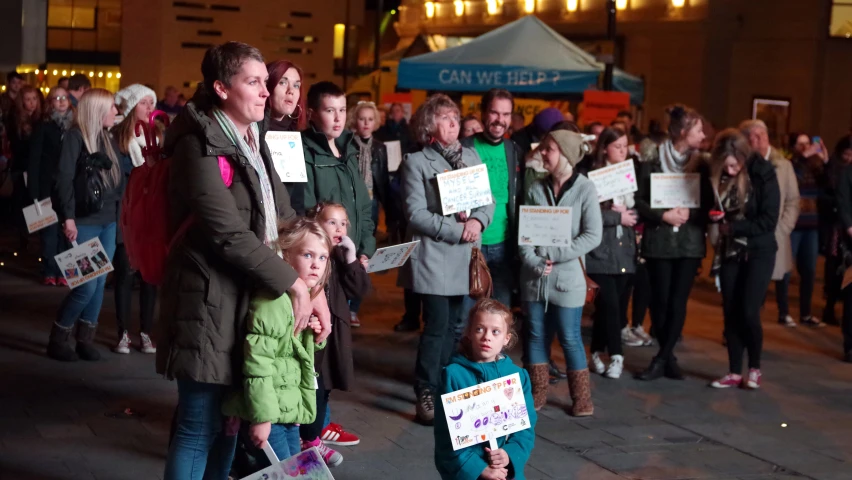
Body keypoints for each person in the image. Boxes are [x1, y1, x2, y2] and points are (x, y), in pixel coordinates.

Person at [156, 42, 331, 480]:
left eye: (263, 82)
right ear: (220, 88)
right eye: (253, 82)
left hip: (246, 298)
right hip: (207, 300)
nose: (266, 92)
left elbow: (286, 217)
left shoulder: (251, 136)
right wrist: (294, 284)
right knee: (199, 427)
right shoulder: (197, 140)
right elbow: (225, 232)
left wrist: (316, 287)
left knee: (231, 425)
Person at [399, 93, 495, 425]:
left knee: (457, 327)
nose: (453, 123)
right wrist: (457, 230)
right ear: (430, 125)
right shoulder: (416, 162)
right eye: (444, 118)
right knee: (437, 326)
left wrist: (478, 221)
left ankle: (447, 386)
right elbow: (414, 213)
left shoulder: (470, 157)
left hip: (465, 257)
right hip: (434, 256)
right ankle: (426, 389)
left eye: (455, 117)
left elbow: (488, 202)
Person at [222, 218, 330, 466]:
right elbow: (257, 362)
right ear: (286, 257)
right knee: (283, 471)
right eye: (307, 255)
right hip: (269, 414)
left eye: (322, 257)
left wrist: (313, 338)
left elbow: (292, 354)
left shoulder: (300, 301)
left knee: (292, 469)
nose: (316, 264)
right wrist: (262, 419)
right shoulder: (273, 302)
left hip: (286, 410)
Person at [521, 130, 601, 414]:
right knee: (535, 335)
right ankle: (537, 394)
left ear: (565, 155)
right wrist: (533, 261)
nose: (542, 153)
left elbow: (592, 235)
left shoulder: (585, 189)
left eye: (549, 149)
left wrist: (553, 254)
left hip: (568, 280)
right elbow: (525, 235)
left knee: (569, 336)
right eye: (543, 148)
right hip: (535, 279)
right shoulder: (535, 188)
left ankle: (581, 398)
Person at [635, 105, 712, 381]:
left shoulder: (702, 164)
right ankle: (667, 357)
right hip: (659, 240)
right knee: (660, 301)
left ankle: (662, 358)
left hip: (689, 243)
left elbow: (710, 205)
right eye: (698, 130)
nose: (703, 135)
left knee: (679, 301)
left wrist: (693, 213)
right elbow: (639, 199)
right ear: (682, 132)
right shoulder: (651, 157)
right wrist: (662, 214)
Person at [50, 89, 125, 363]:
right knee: (86, 286)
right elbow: (63, 179)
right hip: (83, 222)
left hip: (107, 221)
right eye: (112, 108)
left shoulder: (108, 137)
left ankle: (84, 339)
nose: (116, 112)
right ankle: (59, 337)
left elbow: (118, 182)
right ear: (97, 111)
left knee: (99, 280)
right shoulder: (74, 136)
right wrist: (68, 217)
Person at [434, 299, 537, 480]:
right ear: (469, 333)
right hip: (469, 472)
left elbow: (525, 427)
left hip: (505, 471)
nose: (487, 337)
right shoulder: (453, 376)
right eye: (480, 329)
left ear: (507, 338)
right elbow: (447, 436)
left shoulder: (517, 377)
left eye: (495, 331)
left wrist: (509, 454)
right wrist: (478, 468)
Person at [707, 130, 779, 389]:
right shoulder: (719, 177)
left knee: (749, 311)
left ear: (743, 156)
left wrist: (735, 228)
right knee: (731, 310)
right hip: (730, 252)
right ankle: (734, 370)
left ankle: (755, 368)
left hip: (759, 250)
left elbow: (769, 220)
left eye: (733, 163)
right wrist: (714, 217)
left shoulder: (763, 173)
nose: (729, 168)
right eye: (724, 164)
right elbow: (713, 205)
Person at [303, 203, 372, 463]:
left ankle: (313, 439)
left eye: (343, 223)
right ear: (316, 222)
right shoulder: (313, 255)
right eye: (332, 222)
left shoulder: (342, 257)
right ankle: (309, 439)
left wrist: (352, 257)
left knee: (325, 388)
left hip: (335, 337)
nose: (339, 228)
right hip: (315, 335)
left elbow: (360, 290)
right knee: (314, 388)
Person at [460, 89, 524, 309]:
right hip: (470, 243)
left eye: (506, 115)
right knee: (465, 317)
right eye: (495, 113)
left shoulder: (513, 150)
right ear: (483, 113)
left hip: (503, 244)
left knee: (500, 314)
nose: (500, 120)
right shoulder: (463, 147)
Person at [302, 81, 376, 262]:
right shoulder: (303, 153)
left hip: (353, 259)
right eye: (329, 110)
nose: (338, 118)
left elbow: (364, 208)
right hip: (323, 261)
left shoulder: (349, 153)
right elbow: (305, 214)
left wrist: (366, 250)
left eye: (342, 110)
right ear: (312, 114)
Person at [739, 119, 804, 327]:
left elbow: (793, 201)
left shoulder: (783, 165)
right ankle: (740, 329)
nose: (759, 140)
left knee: (766, 282)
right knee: (743, 287)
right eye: (754, 137)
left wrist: (782, 228)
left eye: (763, 135)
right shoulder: (740, 164)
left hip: (773, 234)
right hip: (745, 235)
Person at [111, 84, 161, 354]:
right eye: (143, 103)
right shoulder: (118, 138)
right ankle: (122, 333)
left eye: (151, 102)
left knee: (149, 276)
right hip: (127, 213)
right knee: (125, 274)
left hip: (150, 214)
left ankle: (145, 332)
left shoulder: (156, 135)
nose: (149, 108)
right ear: (132, 108)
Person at [586, 128, 637, 380]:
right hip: (599, 253)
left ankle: (595, 351)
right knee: (611, 306)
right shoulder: (591, 176)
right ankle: (617, 356)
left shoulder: (628, 176)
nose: (622, 151)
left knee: (610, 307)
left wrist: (629, 214)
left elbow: (637, 213)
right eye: (617, 146)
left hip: (624, 252)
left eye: (625, 146)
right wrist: (618, 216)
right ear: (605, 147)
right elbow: (587, 215)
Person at [774, 133, 829, 327]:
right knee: (786, 268)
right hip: (793, 224)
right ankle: (784, 312)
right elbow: (791, 183)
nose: (806, 147)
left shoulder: (815, 166)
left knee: (809, 270)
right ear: (793, 146)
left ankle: (805, 314)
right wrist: (804, 158)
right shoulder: (789, 164)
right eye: (801, 144)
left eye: (808, 144)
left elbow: (828, 187)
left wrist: (826, 162)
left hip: (811, 225)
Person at [28, 87, 73, 286]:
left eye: (65, 97)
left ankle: (64, 271)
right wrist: (34, 191)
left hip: (68, 187)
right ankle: (49, 270)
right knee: (48, 232)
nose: (61, 101)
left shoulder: (75, 125)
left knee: (67, 231)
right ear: (50, 102)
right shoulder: (44, 126)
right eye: (57, 98)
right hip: (46, 186)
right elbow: (35, 159)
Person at [265, 60, 308, 215]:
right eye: (283, 83)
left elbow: (297, 197)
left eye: (296, 85)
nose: (291, 91)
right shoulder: (250, 131)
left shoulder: (296, 137)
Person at [8, 85, 43, 247]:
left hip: (37, 167)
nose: (32, 103)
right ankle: (23, 236)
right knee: (21, 200)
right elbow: (15, 145)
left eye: (34, 99)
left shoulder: (41, 118)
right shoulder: (14, 119)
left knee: (35, 200)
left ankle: (34, 234)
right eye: (28, 99)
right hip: (21, 166)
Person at [822, 136, 852, 326]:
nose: (849, 158)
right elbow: (839, 200)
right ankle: (830, 307)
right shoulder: (836, 169)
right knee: (836, 270)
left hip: (842, 223)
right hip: (838, 228)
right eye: (847, 154)